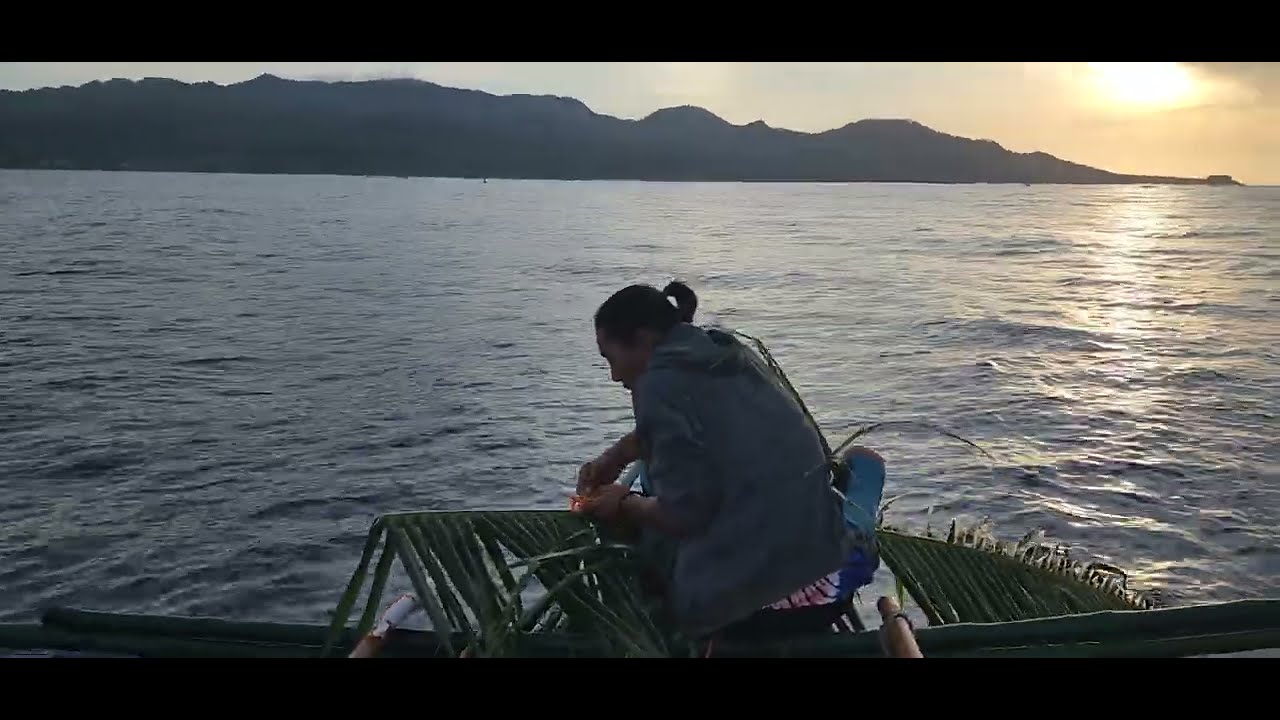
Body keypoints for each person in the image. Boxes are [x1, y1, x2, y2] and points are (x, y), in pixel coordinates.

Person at [574, 280, 861, 643]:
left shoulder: (659, 382)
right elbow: (694, 432)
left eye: (611, 359)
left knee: (645, 533)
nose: (615, 375)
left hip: (762, 605)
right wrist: (614, 458)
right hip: (830, 580)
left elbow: (684, 514)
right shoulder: (725, 352)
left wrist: (624, 502)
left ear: (644, 340)